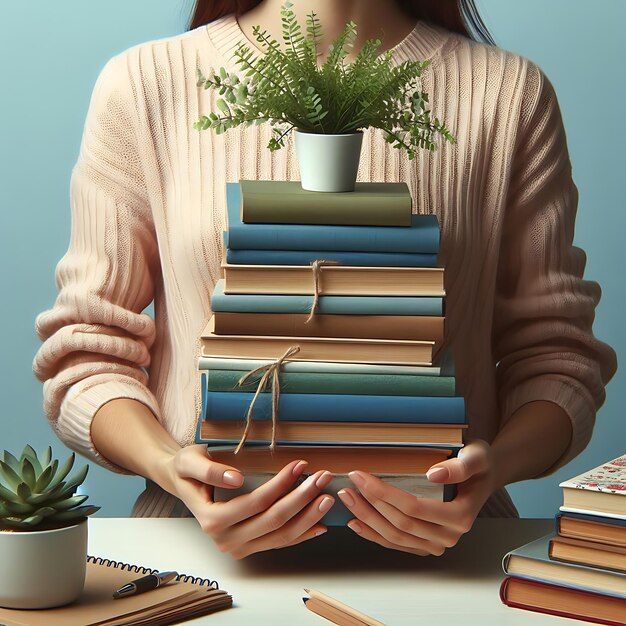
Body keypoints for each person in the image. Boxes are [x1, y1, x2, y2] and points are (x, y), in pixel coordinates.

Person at [33, 0, 617, 560]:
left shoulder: (506, 96)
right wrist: (172, 466)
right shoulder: (143, 86)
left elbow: (557, 357)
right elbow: (87, 354)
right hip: (199, 561)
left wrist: (493, 467)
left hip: (452, 565)